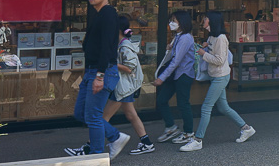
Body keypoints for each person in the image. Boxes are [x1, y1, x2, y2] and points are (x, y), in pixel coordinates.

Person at [64, 0, 130, 159]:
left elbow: (107, 47)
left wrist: (100, 76)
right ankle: (115, 137)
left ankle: (96, 158)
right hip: (92, 70)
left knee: (93, 116)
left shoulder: (108, 13)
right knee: (81, 113)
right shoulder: (99, 14)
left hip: (102, 71)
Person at [182, 11, 255, 151]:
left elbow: (220, 60)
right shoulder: (212, 36)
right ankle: (246, 128)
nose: (203, 20)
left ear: (211, 21)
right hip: (216, 76)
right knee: (223, 107)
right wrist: (205, 47)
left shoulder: (221, 38)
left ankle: (198, 140)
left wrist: (204, 54)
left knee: (206, 107)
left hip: (220, 77)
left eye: (205, 18)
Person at [102, 16, 155, 155]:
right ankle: (147, 143)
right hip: (124, 86)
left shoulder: (124, 45)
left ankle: (91, 146)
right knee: (131, 115)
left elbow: (129, 68)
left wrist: (111, 63)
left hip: (123, 86)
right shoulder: (122, 43)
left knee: (102, 118)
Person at [154, 11, 197, 145]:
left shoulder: (185, 38)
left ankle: (188, 133)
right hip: (176, 74)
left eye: (174, 20)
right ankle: (171, 127)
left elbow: (176, 61)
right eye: (171, 20)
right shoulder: (178, 36)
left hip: (183, 74)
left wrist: (162, 77)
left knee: (183, 103)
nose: (171, 23)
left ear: (182, 22)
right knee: (162, 100)